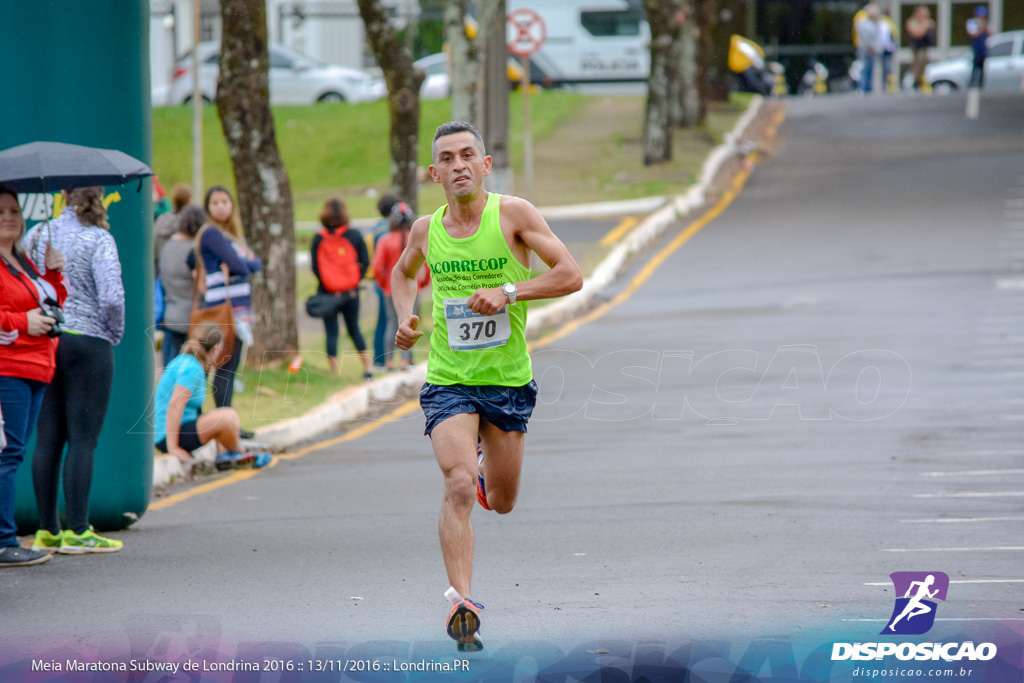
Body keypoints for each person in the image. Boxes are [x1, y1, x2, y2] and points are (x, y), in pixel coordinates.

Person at [391, 121, 583, 651]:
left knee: (499, 500)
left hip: (506, 382)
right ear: (434, 173)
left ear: (485, 164)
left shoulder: (514, 215)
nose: (458, 166)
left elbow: (570, 274)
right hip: (449, 379)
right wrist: (405, 318)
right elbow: (401, 274)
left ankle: (483, 476)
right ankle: (462, 601)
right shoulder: (425, 231)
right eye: (447, 159)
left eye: (467, 155)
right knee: (456, 484)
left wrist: (509, 290)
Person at [23, 186, 126, 555]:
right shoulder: (99, 238)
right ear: (97, 195)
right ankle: (79, 530)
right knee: (83, 439)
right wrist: (113, 332)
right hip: (88, 342)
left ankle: (48, 530)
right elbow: (112, 296)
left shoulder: (38, 233)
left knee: (48, 437)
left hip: (49, 338)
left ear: (64, 195)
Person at [0, 186, 66, 567]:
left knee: (15, 452)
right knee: (7, 454)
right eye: (0, 211)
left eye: (13, 210)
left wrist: (54, 276)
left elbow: (51, 305)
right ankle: (4, 539)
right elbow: (15, 317)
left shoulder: (23, 261)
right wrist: (22, 322)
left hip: (38, 366)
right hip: (9, 369)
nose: (8, 216)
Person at [153, 322, 270, 470]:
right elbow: (175, 406)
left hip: (175, 430)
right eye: (221, 349)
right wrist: (173, 447)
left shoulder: (187, 362)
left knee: (225, 417)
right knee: (227, 417)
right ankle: (239, 452)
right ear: (214, 349)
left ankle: (225, 453)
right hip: (167, 436)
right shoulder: (192, 369)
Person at [191, 185, 262, 410]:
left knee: (229, 367)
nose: (221, 207)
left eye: (225, 201)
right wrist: (242, 265)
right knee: (223, 368)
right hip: (223, 310)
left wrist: (243, 265)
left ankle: (226, 421)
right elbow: (240, 265)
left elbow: (255, 264)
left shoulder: (232, 235)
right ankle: (219, 421)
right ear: (208, 208)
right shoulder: (211, 233)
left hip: (238, 309)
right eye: (215, 203)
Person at [310, 198, 372, 378]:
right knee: (354, 328)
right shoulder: (353, 235)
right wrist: (354, 282)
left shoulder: (318, 238)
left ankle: (335, 373)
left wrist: (328, 284)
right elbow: (365, 262)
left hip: (327, 293)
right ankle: (368, 369)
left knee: (331, 332)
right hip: (351, 293)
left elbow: (315, 267)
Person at [373, 201, 427, 370]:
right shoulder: (416, 239)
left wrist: (383, 284)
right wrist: (422, 283)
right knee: (410, 323)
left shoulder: (385, 240)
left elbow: (376, 266)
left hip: (390, 289)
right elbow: (428, 266)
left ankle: (388, 361)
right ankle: (406, 360)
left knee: (391, 323)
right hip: (413, 289)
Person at [159, 204, 205, 367]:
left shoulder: (167, 245)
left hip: (170, 312)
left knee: (170, 368)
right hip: (189, 317)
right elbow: (201, 286)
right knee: (186, 371)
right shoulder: (192, 250)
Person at [369, 194, 398, 371]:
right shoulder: (389, 230)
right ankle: (382, 359)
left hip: (380, 282)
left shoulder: (376, 228)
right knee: (389, 321)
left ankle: (380, 358)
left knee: (383, 320)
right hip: (388, 282)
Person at [154, 183, 192, 269]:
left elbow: (155, 249)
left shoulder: (162, 220)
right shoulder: (188, 225)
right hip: (181, 269)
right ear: (189, 201)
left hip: (161, 268)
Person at [906, 6, 936, 90]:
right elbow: (917, 34)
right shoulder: (912, 22)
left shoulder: (928, 22)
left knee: (924, 64)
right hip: (917, 48)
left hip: (925, 46)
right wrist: (925, 25)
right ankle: (915, 82)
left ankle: (922, 81)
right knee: (917, 65)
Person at [854, 4, 882, 94]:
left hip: (869, 49)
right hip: (867, 49)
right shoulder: (866, 24)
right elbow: (866, 38)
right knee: (865, 69)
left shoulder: (872, 23)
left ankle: (867, 88)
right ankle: (863, 88)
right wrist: (870, 47)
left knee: (869, 69)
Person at [967, 6, 990, 89]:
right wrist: (981, 27)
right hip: (976, 50)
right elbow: (974, 34)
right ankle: (971, 85)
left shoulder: (986, 23)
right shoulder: (972, 22)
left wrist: (985, 26)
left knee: (983, 68)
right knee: (975, 68)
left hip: (983, 49)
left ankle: (981, 86)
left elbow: (990, 34)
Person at [878, 10, 899, 92]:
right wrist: (889, 46)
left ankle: (887, 84)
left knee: (886, 67)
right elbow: (884, 37)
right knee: (887, 67)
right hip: (886, 49)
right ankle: (886, 84)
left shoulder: (886, 22)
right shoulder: (885, 23)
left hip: (887, 48)